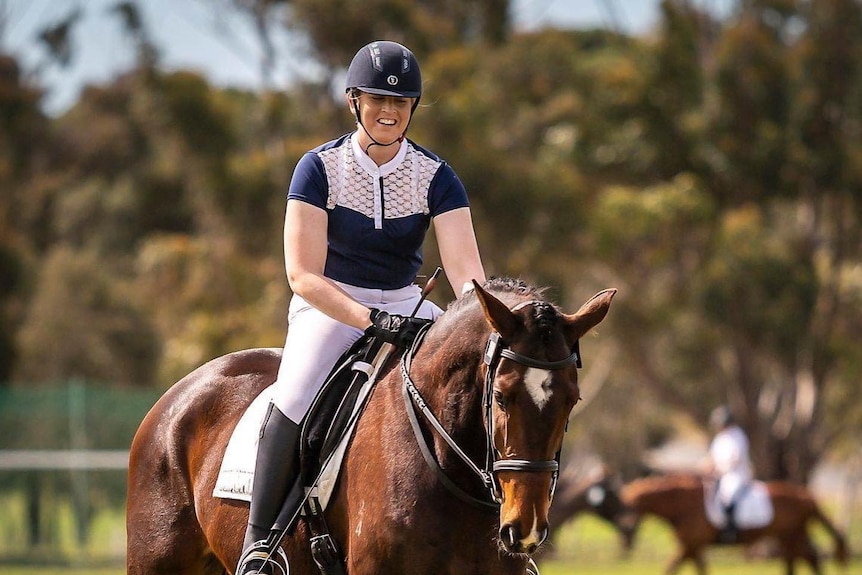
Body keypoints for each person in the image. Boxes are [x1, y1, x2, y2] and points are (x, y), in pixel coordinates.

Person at [237, 40, 487, 574]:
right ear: (354, 101)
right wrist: (370, 319)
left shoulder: (436, 176)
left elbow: (467, 274)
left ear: (414, 108)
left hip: (408, 304)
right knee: (297, 391)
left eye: (401, 102)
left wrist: (478, 321)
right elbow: (301, 274)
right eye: (377, 99)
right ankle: (259, 548)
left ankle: (502, 537)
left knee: (479, 386)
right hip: (329, 306)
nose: (389, 111)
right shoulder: (318, 168)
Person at [706, 405, 753, 542]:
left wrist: (719, 469)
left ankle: (731, 530)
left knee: (728, 496)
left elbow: (735, 460)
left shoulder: (738, 436)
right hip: (719, 475)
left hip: (736, 476)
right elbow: (711, 458)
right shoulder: (719, 438)